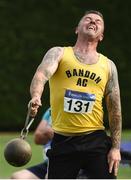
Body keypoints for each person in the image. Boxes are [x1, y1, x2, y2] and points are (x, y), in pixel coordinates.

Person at [29, 10, 122, 179]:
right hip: (63, 141)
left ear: (101, 36)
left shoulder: (108, 66)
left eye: (98, 21)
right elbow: (41, 75)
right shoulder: (59, 53)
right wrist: (36, 95)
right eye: (88, 19)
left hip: (95, 140)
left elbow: (115, 110)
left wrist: (115, 148)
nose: (92, 21)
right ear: (77, 29)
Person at [11, 108, 53, 179]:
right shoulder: (51, 110)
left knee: (50, 176)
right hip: (48, 163)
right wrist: (50, 132)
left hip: (64, 163)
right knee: (17, 177)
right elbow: (37, 138)